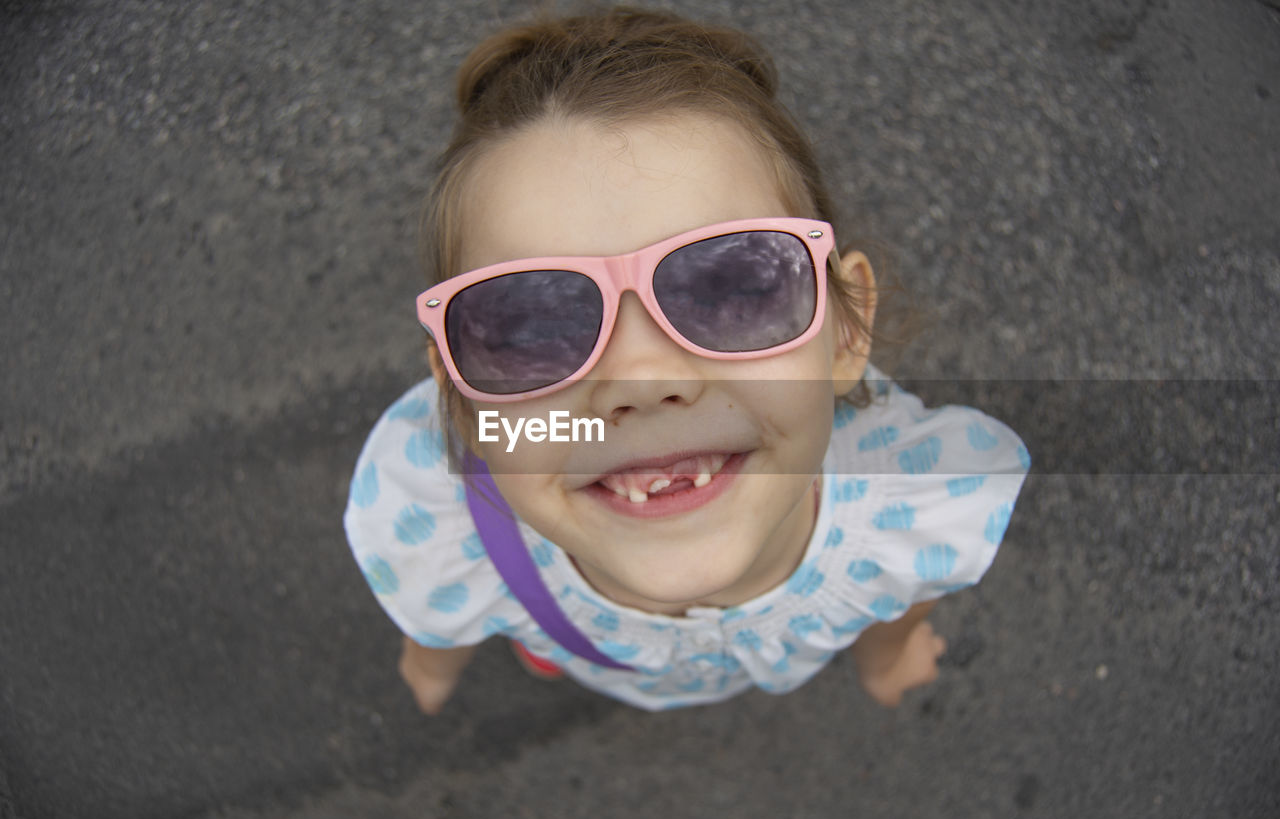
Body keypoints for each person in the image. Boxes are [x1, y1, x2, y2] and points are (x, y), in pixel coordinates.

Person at [343, 7, 1029, 713]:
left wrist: (887, 652)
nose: (643, 379)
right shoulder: (451, 532)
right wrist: (432, 656)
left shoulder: (906, 508)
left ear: (846, 334)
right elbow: (435, 611)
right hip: (561, 620)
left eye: (732, 286)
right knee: (537, 617)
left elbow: (902, 594)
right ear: (461, 403)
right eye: (532, 326)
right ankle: (549, 631)